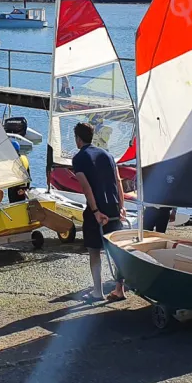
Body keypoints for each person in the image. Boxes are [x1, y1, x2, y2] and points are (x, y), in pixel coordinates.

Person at [72, 121, 127, 302]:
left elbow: (86, 188)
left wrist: (95, 211)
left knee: (94, 251)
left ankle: (98, 292)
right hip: (114, 207)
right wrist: (122, 206)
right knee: (117, 251)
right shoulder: (108, 155)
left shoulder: (79, 158)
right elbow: (118, 182)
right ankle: (120, 290)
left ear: (78, 139)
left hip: (97, 209)